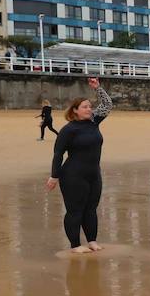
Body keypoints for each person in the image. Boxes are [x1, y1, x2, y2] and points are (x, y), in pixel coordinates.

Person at [46, 78, 112, 253]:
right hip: (73, 175)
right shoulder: (69, 130)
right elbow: (58, 154)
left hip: (93, 174)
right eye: (85, 107)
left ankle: (92, 240)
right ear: (75, 111)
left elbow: (107, 105)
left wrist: (98, 88)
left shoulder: (93, 122)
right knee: (75, 210)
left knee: (91, 209)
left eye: (90, 106)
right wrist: (54, 176)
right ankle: (75, 245)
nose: (89, 109)